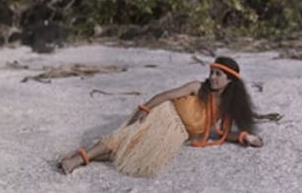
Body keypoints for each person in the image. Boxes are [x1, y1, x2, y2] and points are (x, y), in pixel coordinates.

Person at [59, 56, 269, 177]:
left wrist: (244, 137)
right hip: (164, 114)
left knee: (131, 152)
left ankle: (84, 156)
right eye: (212, 72)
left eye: (218, 74)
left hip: (177, 135)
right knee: (127, 138)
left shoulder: (225, 108)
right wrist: (145, 109)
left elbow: (219, 133)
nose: (212, 77)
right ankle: (79, 159)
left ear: (230, 81)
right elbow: (167, 95)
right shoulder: (197, 87)